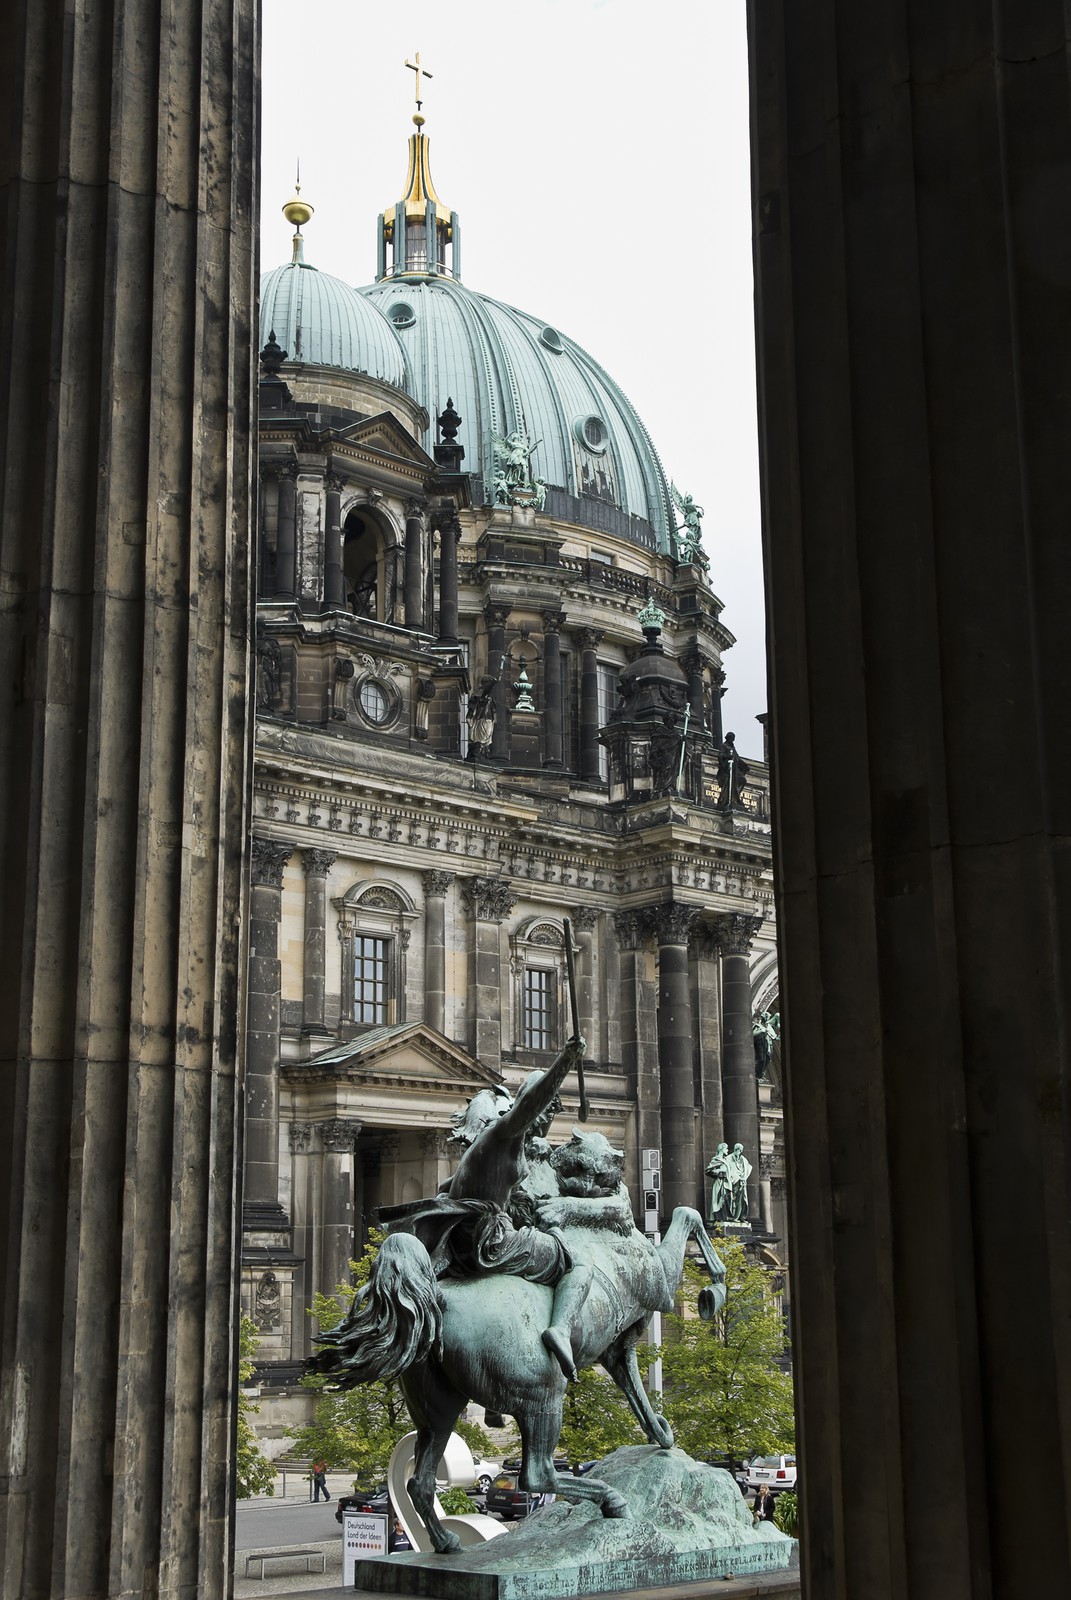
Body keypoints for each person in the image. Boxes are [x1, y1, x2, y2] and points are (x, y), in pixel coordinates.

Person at [725, 1142, 753, 1222]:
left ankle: (740, 1216)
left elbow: (748, 1168)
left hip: (742, 1183)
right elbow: (728, 1170)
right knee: (733, 1199)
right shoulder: (728, 1158)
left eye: (741, 1150)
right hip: (734, 1182)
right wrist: (737, 1178)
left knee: (742, 1200)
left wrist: (743, 1177)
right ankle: (733, 1217)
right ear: (735, 1149)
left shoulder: (743, 1159)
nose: (740, 1152)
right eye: (739, 1150)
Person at [706, 1141, 731, 1223]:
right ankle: (718, 1218)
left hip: (726, 1183)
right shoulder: (716, 1159)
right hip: (719, 1183)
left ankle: (725, 1217)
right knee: (719, 1199)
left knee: (726, 1200)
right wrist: (719, 1171)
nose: (727, 1150)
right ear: (722, 1149)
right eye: (726, 1148)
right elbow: (708, 1170)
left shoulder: (726, 1160)